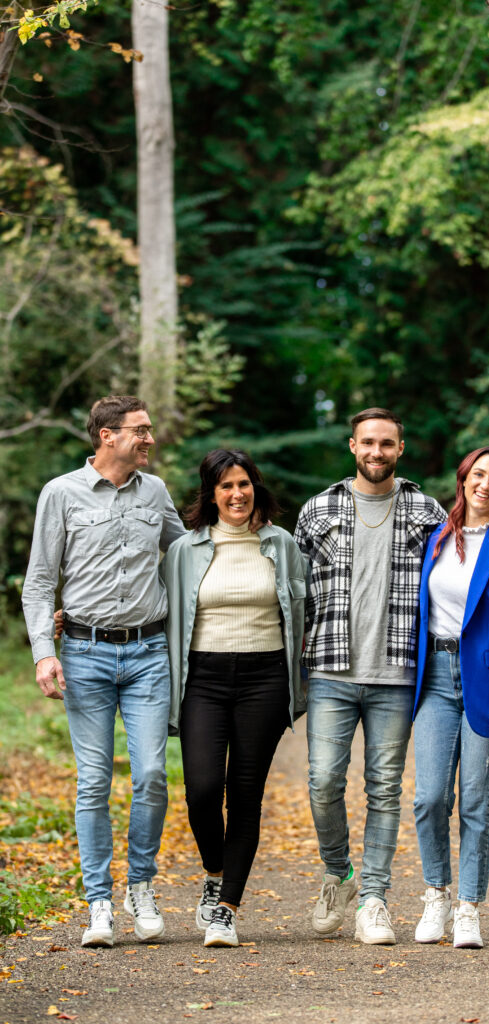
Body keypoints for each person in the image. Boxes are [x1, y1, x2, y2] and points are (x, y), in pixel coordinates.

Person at [22, 396, 186, 948]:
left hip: (147, 655)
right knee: (93, 782)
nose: (150, 438)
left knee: (152, 777)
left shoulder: (156, 492)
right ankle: (98, 903)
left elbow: (185, 556)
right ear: (107, 436)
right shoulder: (61, 493)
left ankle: (140, 885)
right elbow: (41, 581)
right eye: (140, 431)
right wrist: (45, 650)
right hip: (85, 655)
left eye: (149, 429)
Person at [293, 408, 448, 944]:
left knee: (384, 789)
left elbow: (463, 568)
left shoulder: (428, 512)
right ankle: (339, 873)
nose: (376, 452)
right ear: (352, 446)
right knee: (322, 784)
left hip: (398, 673)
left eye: (386, 443)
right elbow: (295, 595)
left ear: (400, 448)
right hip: (332, 669)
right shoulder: (317, 509)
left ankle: (374, 900)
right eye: (367, 443)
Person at [160, 449, 306, 948]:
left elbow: (305, 610)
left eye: (243, 484)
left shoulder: (281, 545)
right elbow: (161, 610)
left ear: (255, 488)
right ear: (211, 494)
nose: (236, 494)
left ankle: (226, 909)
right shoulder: (184, 550)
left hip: (265, 677)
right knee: (202, 790)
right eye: (226, 486)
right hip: (203, 676)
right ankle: (214, 871)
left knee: (245, 795)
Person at [412, 446, 489, 948]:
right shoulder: (436, 537)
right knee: (429, 797)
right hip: (435, 679)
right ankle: (436, 894)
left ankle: (468, 907)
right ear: (463, 480)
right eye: (478, 474)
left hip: (487, 683)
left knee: (476, 802)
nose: (485, 484)